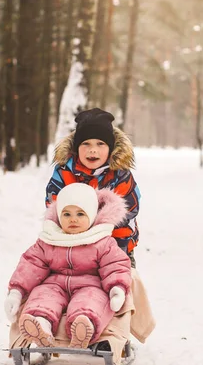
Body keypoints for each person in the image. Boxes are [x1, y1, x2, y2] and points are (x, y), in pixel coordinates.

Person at [3, 183, 132, 349]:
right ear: (58, 216)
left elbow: (115, 265)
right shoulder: (49, 240)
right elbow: (31, 263)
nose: (73, 219)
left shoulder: (101, 241)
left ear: (92, 216)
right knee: (42, 295)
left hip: (90, 285)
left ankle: (83, 326)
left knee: (91, 300)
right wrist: (16, 292)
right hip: (55, 284)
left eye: (80, 214)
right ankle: (41, 324)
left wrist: (117, 288)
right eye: (66, 214)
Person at [45, 108, 141, 267]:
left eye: (100, 144)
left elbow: (126, 217)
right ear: (76, 148)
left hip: (116, 244)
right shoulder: (64, 174)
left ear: (110, 147)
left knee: (120, 283)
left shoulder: (120, 176)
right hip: (70, 244)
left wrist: (117, 252)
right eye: (86, 144)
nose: (93, 149)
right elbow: (54, 210)